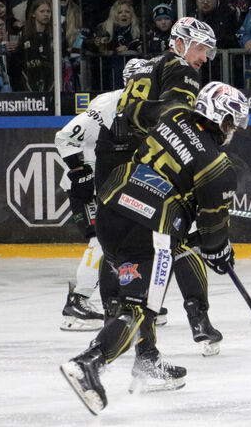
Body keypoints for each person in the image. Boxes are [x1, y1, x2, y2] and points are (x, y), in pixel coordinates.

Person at [60, 81, 249, 415]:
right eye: (232, 122)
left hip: (111, 204)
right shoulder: (218, 168)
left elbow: (129, 111)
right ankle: (89, 363)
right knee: (140, 307)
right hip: (149, 228)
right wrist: (221, 252)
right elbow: (213, 235)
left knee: (128, 284)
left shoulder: (171, 111)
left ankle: (146, 360)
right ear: (221, 119)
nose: (233, 129)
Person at [96, 17, 224, 359]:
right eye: (201, 47)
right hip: (144, 175)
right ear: (180, 42)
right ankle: (173, 333)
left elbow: (131, 113)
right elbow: (176, 116)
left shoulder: (143, 68)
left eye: (209, 50)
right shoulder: (181, 69)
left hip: (116, 167)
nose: (205, 57)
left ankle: (126, 327)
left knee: (123, 256)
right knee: (167, 250)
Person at [54, 58, 150, 331]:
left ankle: (123, 297)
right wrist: (79, 171)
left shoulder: (146, 107)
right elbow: (65, 137)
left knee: (122, 241)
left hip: (111, 185)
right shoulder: (109, 104)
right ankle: (77, 303)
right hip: (88, 186)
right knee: (101, 242)